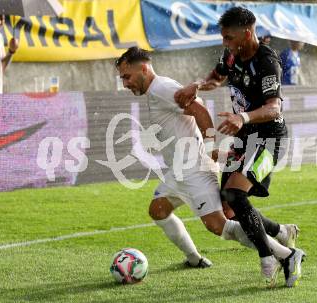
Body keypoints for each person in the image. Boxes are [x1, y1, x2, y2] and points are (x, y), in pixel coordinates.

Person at [115, 47, 297, 286]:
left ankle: (286, 255)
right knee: (158, 210)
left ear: (143, 69)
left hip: (195, 172)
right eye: (122, 78)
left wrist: (210, 145)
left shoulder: (161, 88)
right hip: (178, 172)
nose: (125, 83)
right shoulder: (156, 90)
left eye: (127, 76)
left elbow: (199, 110)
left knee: (219, 226)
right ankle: (194, 258)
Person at [174, 7, 305, 287]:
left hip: (269, 138)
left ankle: (273, 255)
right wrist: (197, 85)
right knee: (229, 207)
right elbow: (216, 78)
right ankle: (282, 232)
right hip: (245, 137)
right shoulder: (231, 55)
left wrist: (242, 117)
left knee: (234, 194)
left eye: (228, 37)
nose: (224, 42)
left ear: (247, 33)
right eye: (223, 37)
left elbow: (273, 108)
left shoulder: (268, 61)